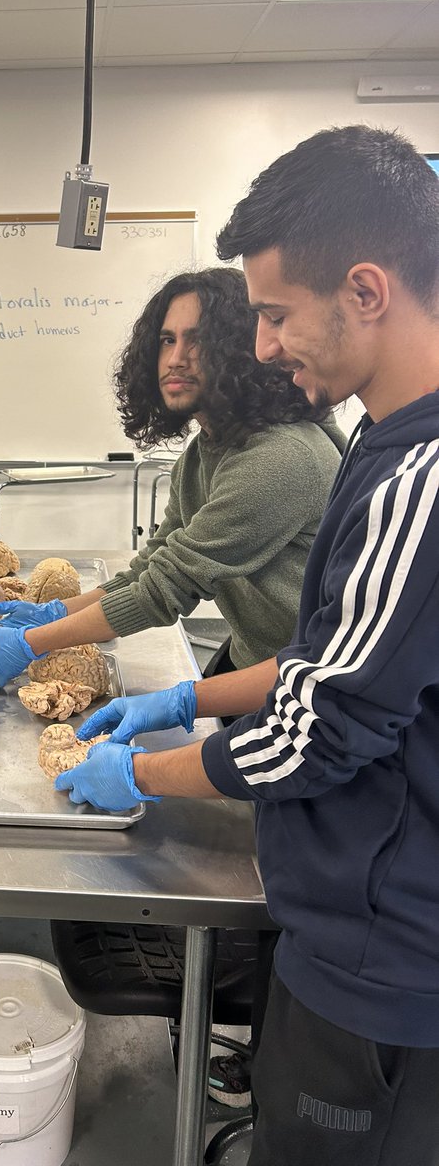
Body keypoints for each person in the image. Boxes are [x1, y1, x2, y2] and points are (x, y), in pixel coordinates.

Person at [57, 126, 439, 1166]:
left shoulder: (417, 479)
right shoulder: (381, 441)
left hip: (383, 954)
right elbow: (327, 656)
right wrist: (190, 700)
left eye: (273, 315)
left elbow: (318, 731)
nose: (260, 346)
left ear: (367, 289)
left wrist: (140, 772)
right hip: (352, 922)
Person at [0, 267, 345, 688]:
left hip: (311, 685)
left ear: (245, 349)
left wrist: (31, 642)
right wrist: (59, 613)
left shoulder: (280, 458)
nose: (175, 359)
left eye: (199, 340)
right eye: (168, 340)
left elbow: (164, 590)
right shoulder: (205, 452)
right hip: (254, 658)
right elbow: (154, 565)